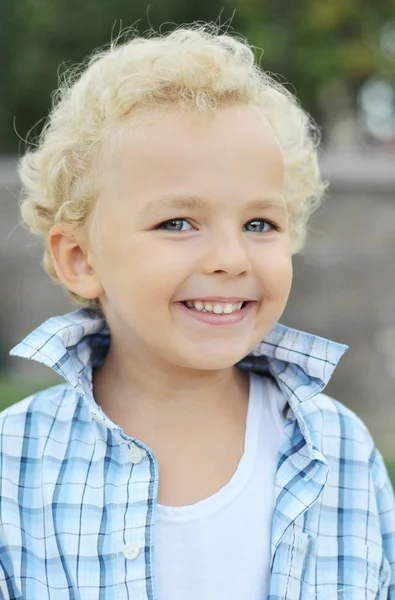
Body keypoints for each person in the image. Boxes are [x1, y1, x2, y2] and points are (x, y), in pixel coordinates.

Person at [1, 23, 394, 600]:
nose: (231, 258)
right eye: (177, 222)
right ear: (81, 258)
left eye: (259, 224)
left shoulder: (343, 452)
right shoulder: (13, 463)